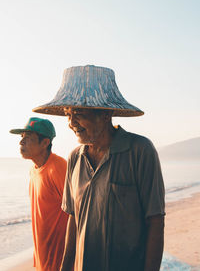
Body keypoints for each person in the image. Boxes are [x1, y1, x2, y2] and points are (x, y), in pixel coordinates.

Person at [32, 65, 165, 271]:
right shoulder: (75, 158)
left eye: (78, 113)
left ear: (105, 114)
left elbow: (155, 221)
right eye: (68, 114)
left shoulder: (140, 151)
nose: (71, 122)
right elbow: (73, 221)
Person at [10, 117, 69, 271]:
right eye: (22, 137)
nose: (21, 142)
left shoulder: (58, 167)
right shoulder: (34, 169)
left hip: (60, 258)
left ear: (45, 143)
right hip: (43, 254)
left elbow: (78, 212)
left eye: (28, 138)